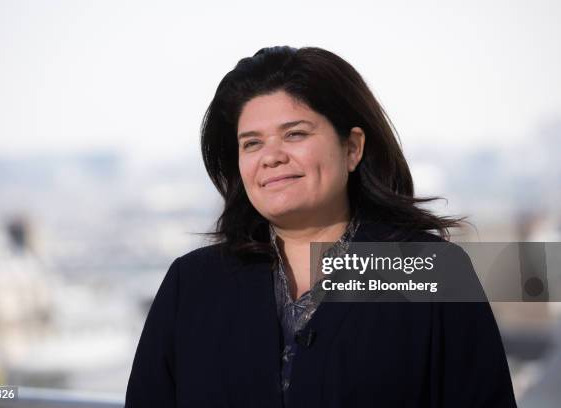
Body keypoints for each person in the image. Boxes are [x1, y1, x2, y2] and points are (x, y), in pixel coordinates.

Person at [125, 46, 517, 407]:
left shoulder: (430, 271)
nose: (272, 157)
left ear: (352, 148)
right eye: (252, 143)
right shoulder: (192, 284)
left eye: (295, 134)